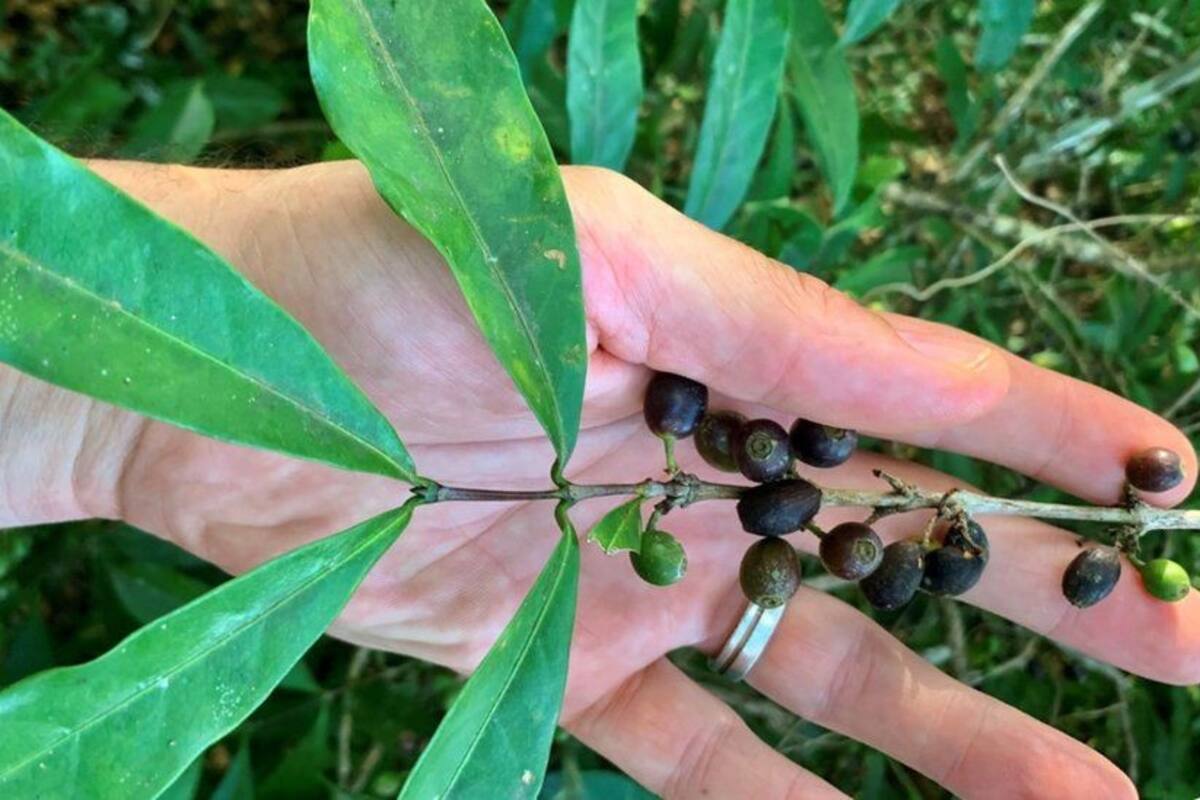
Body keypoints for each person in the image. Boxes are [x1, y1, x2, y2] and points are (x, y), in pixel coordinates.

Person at [2, 159, 1195, 799]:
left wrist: (111, 417)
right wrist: (118, 408)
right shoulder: (735, 481)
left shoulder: (784, 505)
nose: (777, 467)